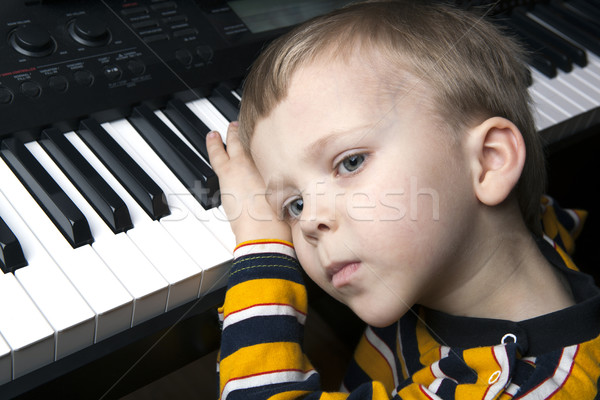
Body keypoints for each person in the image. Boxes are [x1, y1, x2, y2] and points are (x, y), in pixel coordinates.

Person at [205, 0, 600, 398]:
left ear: (488, 162)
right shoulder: (531, 237)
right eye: (294, 205)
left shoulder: (516, 388)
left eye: (350, 162)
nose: (308, 223)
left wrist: (260, 240)